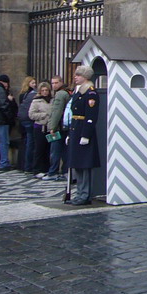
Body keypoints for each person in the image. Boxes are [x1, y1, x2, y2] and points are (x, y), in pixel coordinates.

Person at [67, 66, 101, 206]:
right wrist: (71, 133)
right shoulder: (79, 91)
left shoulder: (90, 93)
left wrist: (85, 134)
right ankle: (80, 193)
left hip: (83, 130)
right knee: (77, 164)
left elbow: (91, 115)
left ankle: (85, 194)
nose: (75, 77)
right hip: (76, 129)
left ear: (85, 77)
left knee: (84, 164)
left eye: (79, 75)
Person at [46, 76, 70, 180]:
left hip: (59, 127)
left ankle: (53, 172)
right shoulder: (66, 92)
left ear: (61, 82)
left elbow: (57, 111)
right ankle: (65, 171)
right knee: (64, 150)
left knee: (55, 150)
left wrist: (52, 127)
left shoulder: (60, 94)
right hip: (64, 127)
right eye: (52, 83)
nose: (54, 85)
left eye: (56, 83)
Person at [28, 82, 53, 177]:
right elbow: (31, 114)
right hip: (40, 127)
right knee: (39, 149)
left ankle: (46, 168)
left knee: (48, 149)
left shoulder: (52, 100)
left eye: (46, 90)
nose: (45, 92)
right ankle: (37, 169)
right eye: (43, 90)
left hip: (50, 128)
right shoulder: (36, 101)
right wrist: (43, 115)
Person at [16, 76, 37, 173]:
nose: (35, 85)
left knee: (26, 142)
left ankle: (23, 164)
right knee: (30, 142)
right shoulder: (32, 94)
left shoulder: (22, 94)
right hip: (29, 119)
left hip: (22, 120)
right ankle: (28, 166)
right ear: (28, 83)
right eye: (32, 83)